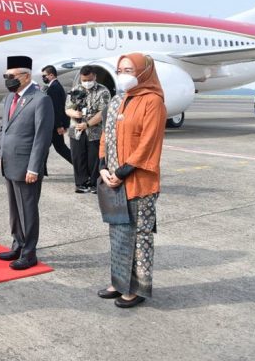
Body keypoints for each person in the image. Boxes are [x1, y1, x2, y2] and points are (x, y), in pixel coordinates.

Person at [97, 53, 167, 309]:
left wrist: (123, 171)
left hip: (139, 183)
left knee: (140, 237)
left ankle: (136, 289)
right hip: (113, 181)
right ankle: (118, 282)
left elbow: (149, 142)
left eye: (129, 69)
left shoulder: (153, 102)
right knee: (118, 235)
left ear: (144, 72)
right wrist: (104, 167)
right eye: (120, 69)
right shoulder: (117, 101)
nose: (123, 73)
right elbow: (106, 136)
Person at [0, 55, 54, 271]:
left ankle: (29, 254)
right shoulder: (9, 98)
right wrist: (0, 154)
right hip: (9, 162)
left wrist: (34, 167)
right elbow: (3, 128)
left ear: (26, 75)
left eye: (11, 76)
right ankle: (17, 245)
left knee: (28, 210)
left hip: (26, 166)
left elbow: (42, 137)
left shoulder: (40, 99)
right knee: (14, 209)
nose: (7, 79)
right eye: (6, 76)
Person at [65, 66, 110, 194]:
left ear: (94, 77)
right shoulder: (75, 90)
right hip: (76, 131)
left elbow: (103, 112)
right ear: (80, 77)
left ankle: (95, 184)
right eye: (84, 80)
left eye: (89, 79)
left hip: (94, 132)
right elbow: (67, 108)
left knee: (94, 159)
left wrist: (88, 124)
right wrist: (74, 113)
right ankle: (81, 183)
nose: (87, 82)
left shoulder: (103, 91)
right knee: (78, 158)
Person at [41, 65, 73, 171]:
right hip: (55, 124)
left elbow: (56, 108)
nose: (43, 78)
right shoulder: (56, 86)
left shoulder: (53, 88)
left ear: (51, 75)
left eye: (44, 76)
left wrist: (59, 125)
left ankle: (80, 166)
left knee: (57, 148)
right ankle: (41, 169)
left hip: (54, 125)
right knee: (46, 147)